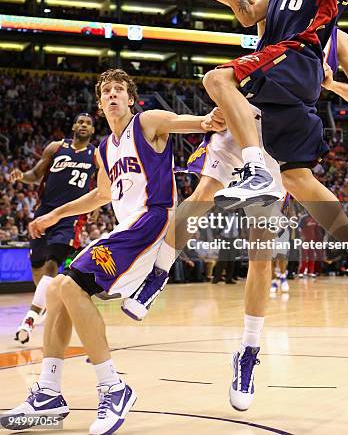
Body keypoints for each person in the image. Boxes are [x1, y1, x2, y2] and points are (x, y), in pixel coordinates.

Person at [124, 0, 348, 411]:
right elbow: (233, 0)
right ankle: (157, 277)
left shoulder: (336, 32)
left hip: (288, 110)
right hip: (248, 105)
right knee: (201, 195)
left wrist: (332, 85)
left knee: (262, 250)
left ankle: (248, 352)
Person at [2, 69, 225, 435]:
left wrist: (207, 119)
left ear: (130, 99)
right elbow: (101, 196)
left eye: (119, 90)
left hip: (150, 223)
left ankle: (113, 387)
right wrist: (54, 214)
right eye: (106, 91)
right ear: (100, 103)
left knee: (70, 286)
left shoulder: (148, 122)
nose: (112, 95)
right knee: (58, 289)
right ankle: (49, 392)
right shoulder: (105, 149)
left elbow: (191, 122)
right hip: (126, 230)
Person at [9, 113, 97, 344]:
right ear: (73, 126)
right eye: (80, 122)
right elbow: (36, 174)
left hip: (71, 217)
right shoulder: (56, 147)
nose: (83, 125)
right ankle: (46, 301)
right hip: (44, 214)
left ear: (93, 130)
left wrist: (97, 204)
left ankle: (29, 320)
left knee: (51, 265)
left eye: (88, 123)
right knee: (37, 266)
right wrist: (21, 177)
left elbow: (103, 183)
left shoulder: (96, 155)